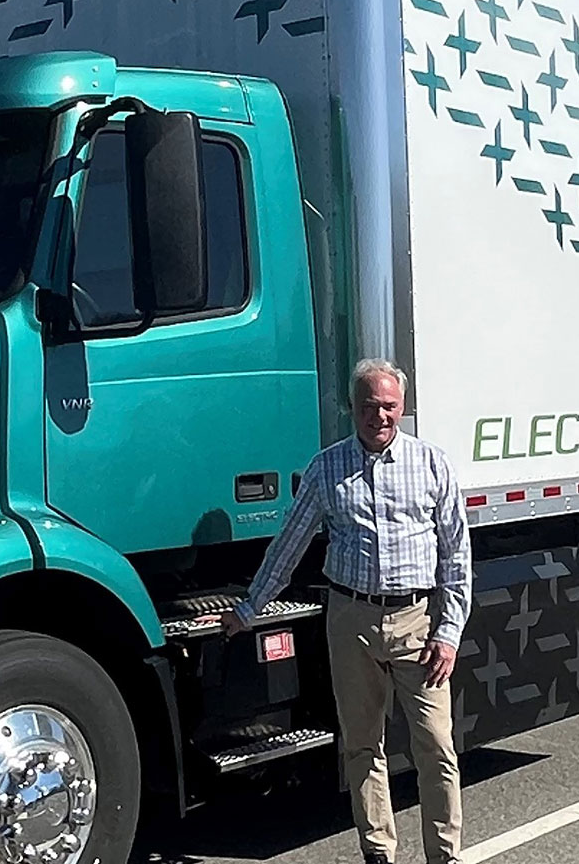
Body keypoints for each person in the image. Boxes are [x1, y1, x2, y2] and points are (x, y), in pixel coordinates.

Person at [222, 358, 472, 864]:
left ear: (402, 407)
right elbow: (289, 545)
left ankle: (444, 856)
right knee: (362, 747)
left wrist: (447, 633)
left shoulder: (432, 465)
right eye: (368, 406)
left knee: (437, 748)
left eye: (388, 406)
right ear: (351, 408)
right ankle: (379, 852)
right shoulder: (327, 467)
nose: (379, 416)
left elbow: (457, 555)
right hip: (350, 620)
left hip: (417, 625)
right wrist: (249, 609)